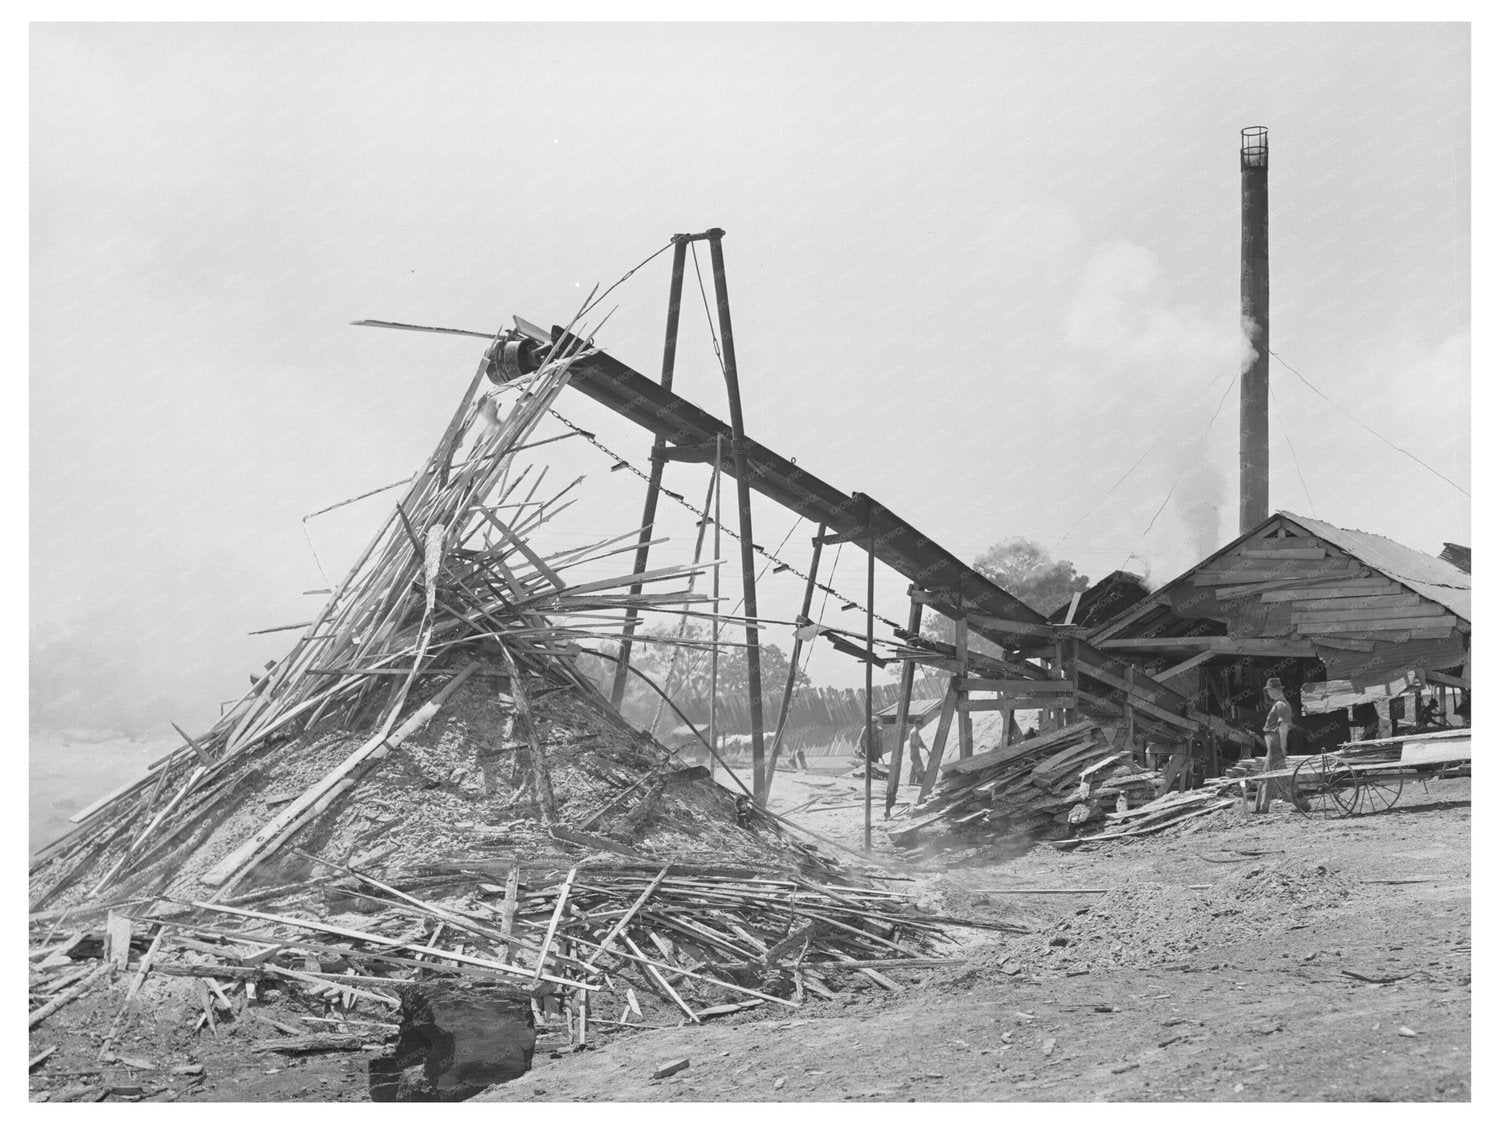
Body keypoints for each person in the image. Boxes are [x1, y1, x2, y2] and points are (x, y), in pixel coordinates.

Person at [1256, 677, 1308, 812]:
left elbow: (1283, 727)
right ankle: (1262, 807)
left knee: (1278, 776)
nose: (1268, 694)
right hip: (1273, 742)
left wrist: (1283, 747)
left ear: (1274, 690)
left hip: (1275, 742)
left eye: (1269, 691)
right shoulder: (1281, 704)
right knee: (1269, 775)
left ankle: (1301, 804)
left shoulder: (1280, 705)